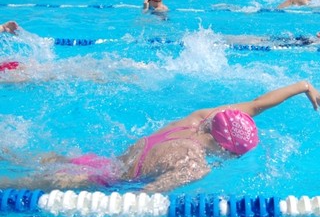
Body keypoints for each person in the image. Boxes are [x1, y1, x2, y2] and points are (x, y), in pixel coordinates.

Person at [0, 81, 319, 192]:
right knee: (15, 186)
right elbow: (143, 198)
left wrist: (304, 86)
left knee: (24, 159)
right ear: (229, 152)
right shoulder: (194, 165)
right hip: (98, 181)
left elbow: (257, 104)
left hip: (100, 163)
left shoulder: (198, 119)